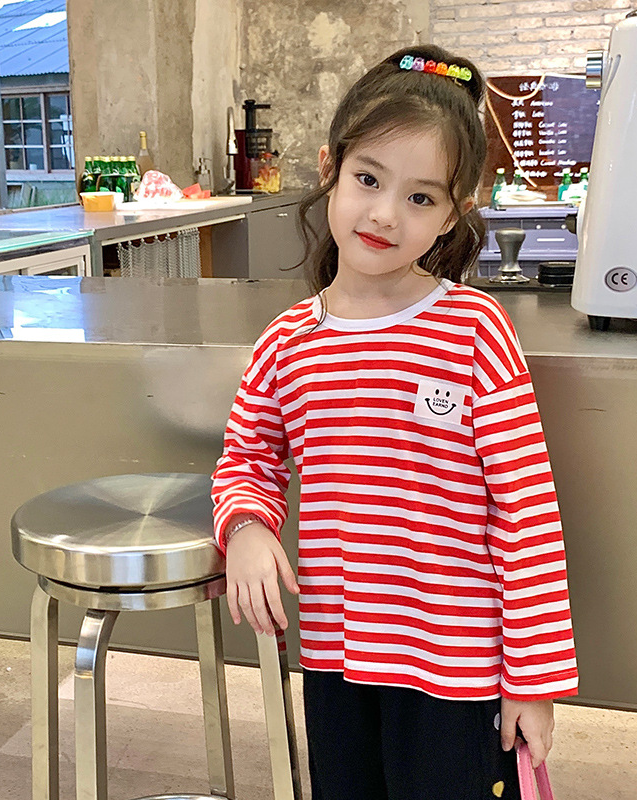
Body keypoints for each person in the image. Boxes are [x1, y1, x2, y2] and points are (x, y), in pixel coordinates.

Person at [212, 44, 578, 800]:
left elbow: (526, 512)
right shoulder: (287, 342)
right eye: (368, 180)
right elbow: (247, 458)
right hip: (336, 659)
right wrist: (246, 527)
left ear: (453, 214)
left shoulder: (474, 331)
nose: (384, 213)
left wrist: (533, 681)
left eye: (420, 197)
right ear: (330, 168)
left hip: (457, 671)